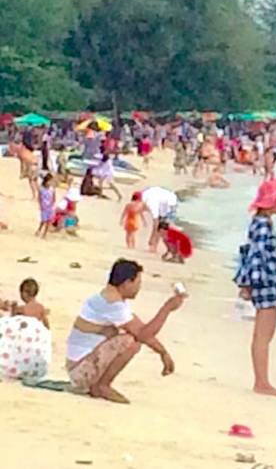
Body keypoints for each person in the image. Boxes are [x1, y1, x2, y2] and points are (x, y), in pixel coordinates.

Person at [65, 259, 185, 403]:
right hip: (80, 371)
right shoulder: (112, 304)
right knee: (130, 342)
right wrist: (166, 309)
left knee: (131, 336)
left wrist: (163, 352)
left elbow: (141, 329)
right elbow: (143, 335)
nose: (139, 288)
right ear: (127, 282)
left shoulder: (109, 298)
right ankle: (102, 386)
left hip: (79, 367)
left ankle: (100, 384)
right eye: (138, 283)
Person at [234, 178, 276, 397]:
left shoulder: (261, 223)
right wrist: (249, 283)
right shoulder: (262, 225)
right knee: (263, 334)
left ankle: (262, 380)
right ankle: (261, 381)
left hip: (267, 282)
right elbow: (257, 256)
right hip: (266, 283)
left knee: (264, 334)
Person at [35, 173, 55, 239]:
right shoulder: (41, 189)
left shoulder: (52, 189)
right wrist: (40, 205)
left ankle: (44, 234)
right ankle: (39, 229)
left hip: (50, 207)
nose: (50, 183)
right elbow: (39, 198)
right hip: (44, 206)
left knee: (48, 221)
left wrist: (51, 204)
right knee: (43, 220)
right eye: (49, 181)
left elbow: (53, 198)